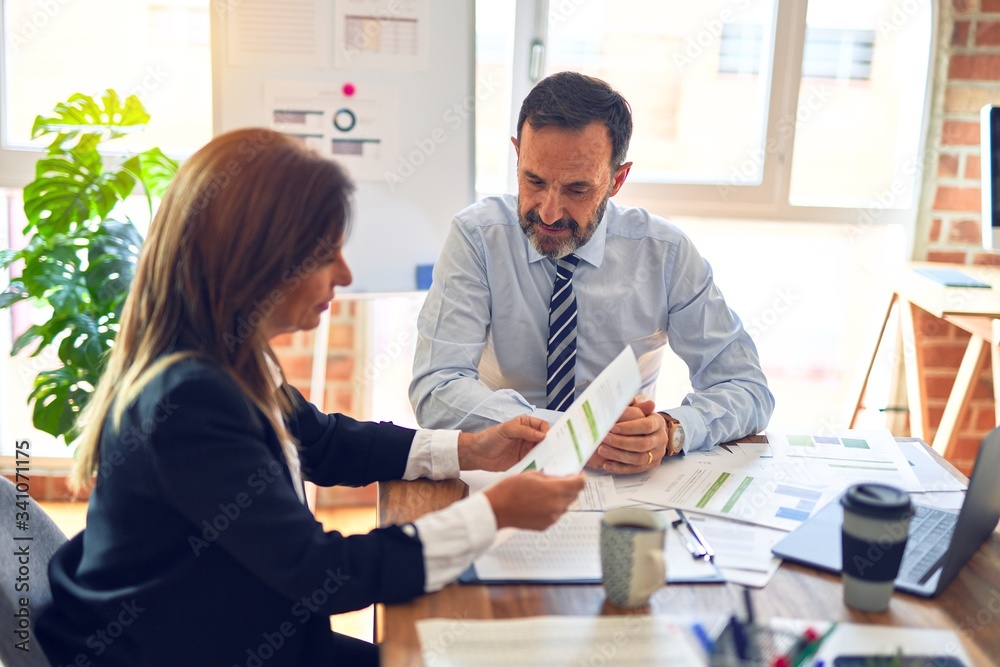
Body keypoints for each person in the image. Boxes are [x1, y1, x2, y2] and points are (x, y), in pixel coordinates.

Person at [36, 128, 584, 667]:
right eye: (324, 254)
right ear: (257, 260)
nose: (345, 274)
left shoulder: (228, 354)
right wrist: (491, 513)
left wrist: (470, 449)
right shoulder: (193, 400)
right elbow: (319, 576)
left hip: (238, 629)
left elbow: (320, 440)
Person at [409, 71, 774, 473]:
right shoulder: (478, 238)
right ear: (517, 156)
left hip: (626, 479)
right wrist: (569, 435)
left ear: (617, 179)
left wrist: (672, 430)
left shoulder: (664, 253)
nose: (548, 211)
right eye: (534, 180)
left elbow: (747, 388)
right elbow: (436, 388)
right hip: (506, 468)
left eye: (577, 190)